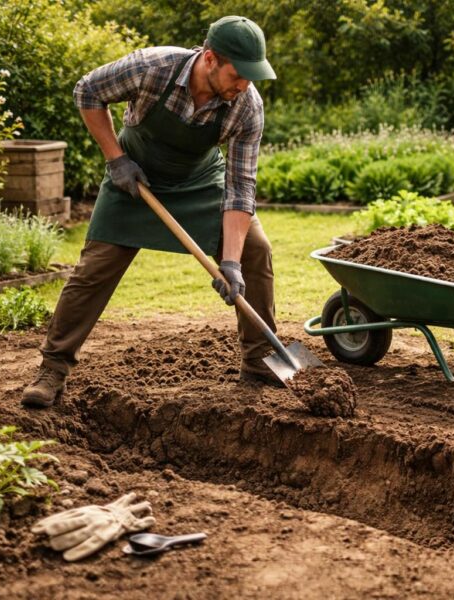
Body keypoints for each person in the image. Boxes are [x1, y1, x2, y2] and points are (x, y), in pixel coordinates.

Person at [22, 16, 280, 408]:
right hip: (134, 175)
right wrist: (116, 159)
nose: (244, 84)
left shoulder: (246, 106)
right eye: (238, 74)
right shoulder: (152, 67)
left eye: (251, 77)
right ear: (210, 59)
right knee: (95, 269)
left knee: (254, 250)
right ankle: (53, 368)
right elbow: (87, 91)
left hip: (198, 182)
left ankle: (261, 360)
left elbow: (241, 187)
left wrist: (230, 262)